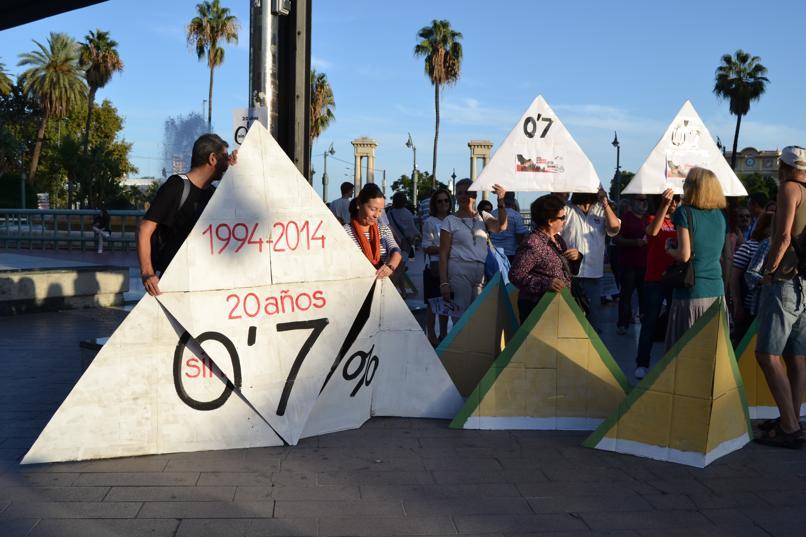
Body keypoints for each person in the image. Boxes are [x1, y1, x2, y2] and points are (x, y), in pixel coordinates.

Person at [137, 133, 236, 296]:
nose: (228, 162)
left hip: (202, 279)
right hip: (173, 279)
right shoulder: (176, 186)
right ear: (212, 159)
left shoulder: (212, 193)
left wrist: (237, 170)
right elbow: (144, 229)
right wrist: (147, 273)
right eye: (225, 157)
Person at [754, 146, 806, 448]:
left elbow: (784, 236)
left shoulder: (789, 188)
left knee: (767, 355)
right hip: (804, 283)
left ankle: (788, 426)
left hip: (785, 280)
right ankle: (793, 418)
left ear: (782, 166)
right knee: (795, 357)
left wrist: (769, 271)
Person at [664, 167, 727, 349]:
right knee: (711, 350)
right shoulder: (721, 215)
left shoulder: (684, 212)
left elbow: (684, 255)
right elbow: (724, 255)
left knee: (686, 352)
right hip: (716, 290)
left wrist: (669, 249)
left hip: (691, 290)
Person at [439, 179, 508, 321]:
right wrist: (444, 282)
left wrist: (501, 201)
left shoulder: (483, 216)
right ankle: (459, 337)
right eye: (460, 193)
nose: (464, 196)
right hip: (459, 270)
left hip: (481, 271)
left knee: (480, 315)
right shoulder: (449, 220)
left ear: (475, 195)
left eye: (468, 192)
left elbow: (501, 227)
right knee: (461, 316)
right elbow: (443, 253)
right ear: (456, 196)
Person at [510, 195, 581, 323]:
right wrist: (546, 284)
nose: (565, 221)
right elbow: (515, 275)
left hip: (558, 306)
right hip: (538, 308)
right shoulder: (533, 243)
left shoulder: (558, 239)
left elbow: (569, 271)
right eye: (562, 218)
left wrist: (576, 257)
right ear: (550, 221)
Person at [560, 188, 621, 332]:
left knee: (593, 319)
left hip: (594, 274)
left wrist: (605, 203)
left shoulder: (602, 209)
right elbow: (555, 234)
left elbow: (614, 229)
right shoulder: (566, 208)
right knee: (569, 319)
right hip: (569, 274)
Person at [634, 189, 679, 380]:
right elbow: (652, 232)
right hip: (654, 278)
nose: (674, 203)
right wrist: (664, 205)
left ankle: (673, 362)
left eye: (677, 200)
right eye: (672, 200)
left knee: (675, 322)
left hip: (675, 278)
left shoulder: (681, 222)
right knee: (649, 322)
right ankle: (642, 363)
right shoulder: (653, 218)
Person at [730, 210, 774, 344]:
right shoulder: (749, 246)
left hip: (766, 309)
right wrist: (738, 305)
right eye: (771, 226)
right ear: (763, 227)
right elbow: (734, 278)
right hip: (749, 308)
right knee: (742, 344)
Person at [343, 183, 402, 280]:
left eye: (380, 211)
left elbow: (396, 251)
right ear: (359, 204)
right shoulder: (345, 232)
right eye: (373, 209)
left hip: (381, 285)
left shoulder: (383, 229)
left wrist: (390, 267)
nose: (377, 215)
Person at [613, 195, 648, 335]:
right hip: (628, 265)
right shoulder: (625, 218)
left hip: (645, 264)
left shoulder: (649, 218)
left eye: (645, 200)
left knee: (644, 297)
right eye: (640, 199)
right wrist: (634, 243)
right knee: (626, 296)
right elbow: (616, 239)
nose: (643, 203)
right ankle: (623, 324)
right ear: (633, 201)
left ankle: (645, 323)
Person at [422, 188, 452, 345]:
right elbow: (426, 246)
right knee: (432, 303)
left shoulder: (454, 220)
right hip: (434, 267)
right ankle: (431, 334)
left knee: (445, 302)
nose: (443, 203)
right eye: (439, 201)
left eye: (446, 200)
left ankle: (444, 333)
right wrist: (444, 248)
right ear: (434, 204)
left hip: (451, 266)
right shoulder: (430, 222)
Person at [491, 192, 529, 264]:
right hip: (511, 253)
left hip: (494, 252)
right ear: (513, 200)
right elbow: (520, 237)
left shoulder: (493, 213)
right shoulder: (516, 215)